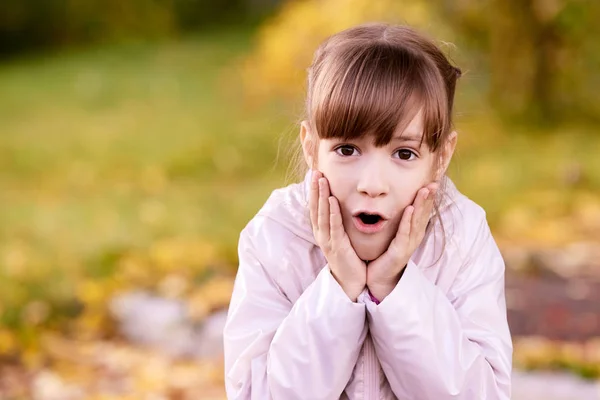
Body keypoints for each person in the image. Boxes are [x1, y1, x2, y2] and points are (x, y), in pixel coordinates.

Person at [223, 22, 512, 400]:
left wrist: (395, 287)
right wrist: (339, 286)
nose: (372, 184)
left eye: (403, 154)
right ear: (311, 147)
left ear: (440, 158)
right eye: (347, 150)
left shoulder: (460, 239)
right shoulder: (276, 238)